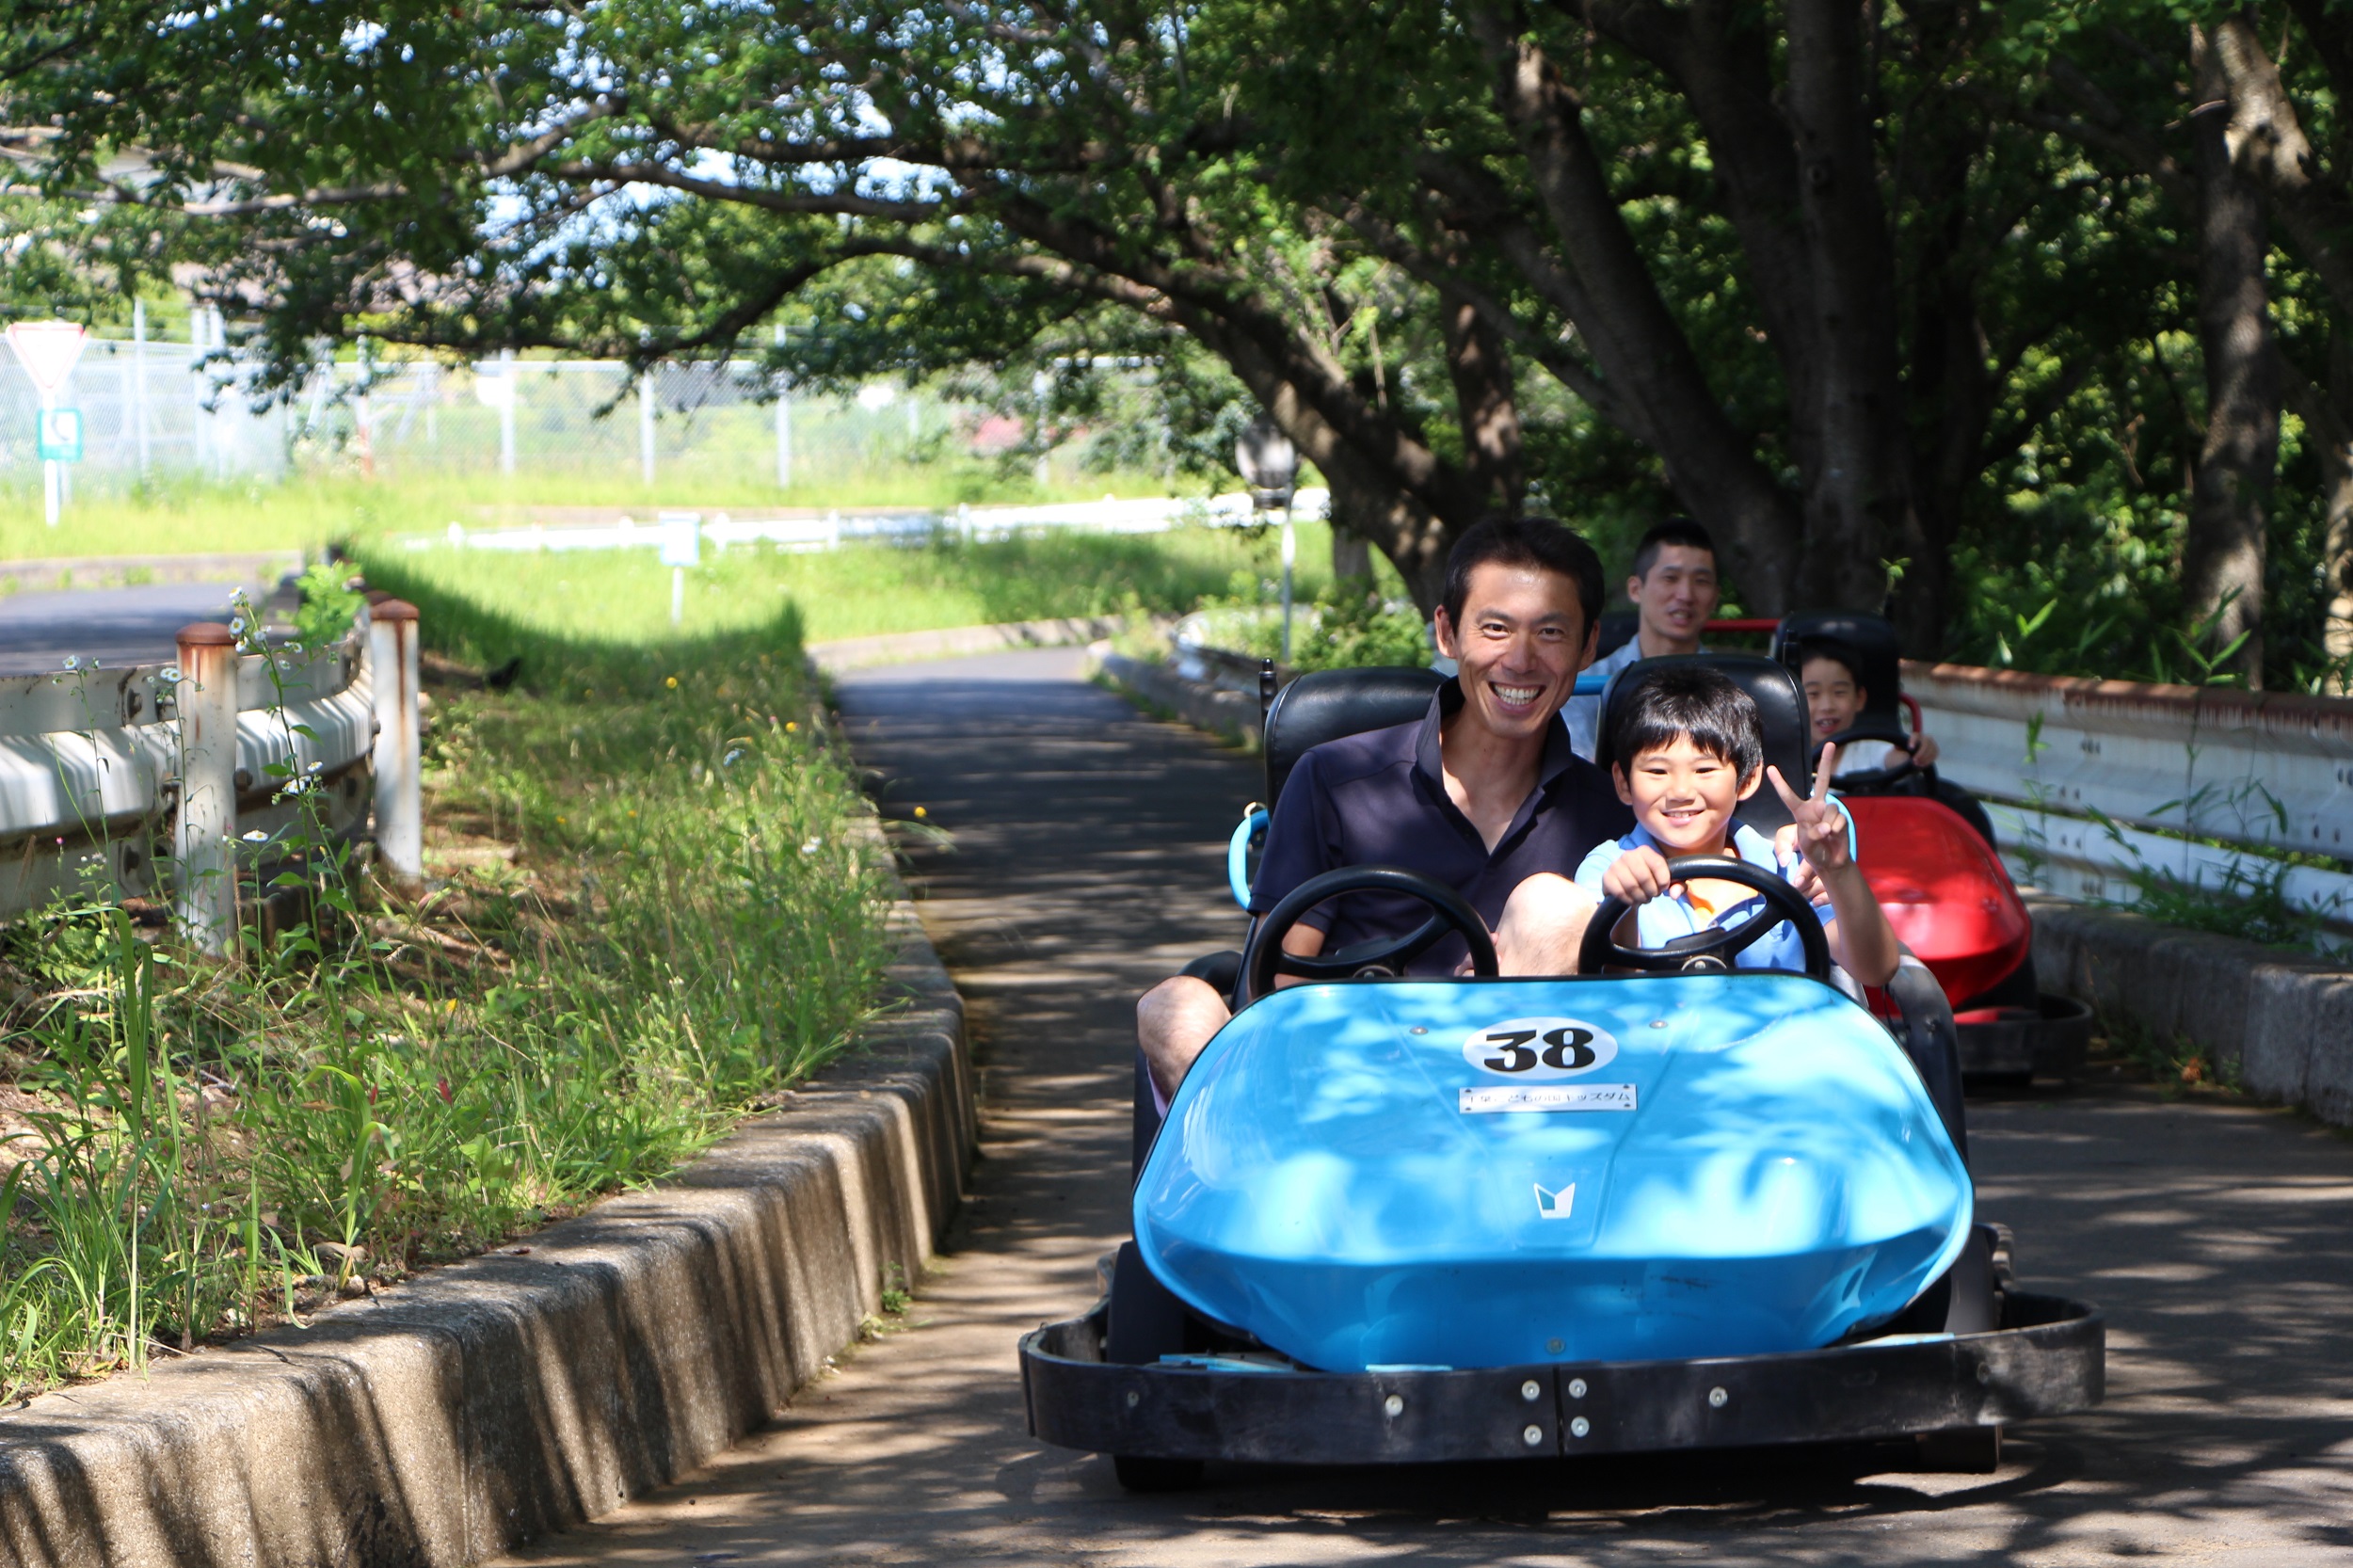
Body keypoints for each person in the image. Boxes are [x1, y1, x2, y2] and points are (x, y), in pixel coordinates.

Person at [1135, 518, 1636, 1105]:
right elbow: (1278, 988)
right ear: (1448, 633)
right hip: (1349, 1089)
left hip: (1520, 1097)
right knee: (1172, 1005)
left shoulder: (1611, 814)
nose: (1520, 659)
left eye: (1550, 633)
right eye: (1495, 628)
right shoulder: (1334, 780)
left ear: (1589, 644)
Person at [1575, 664, 1899, 989]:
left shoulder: (1788, 866)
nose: (1681, 793)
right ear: (1623, 782)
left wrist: (1838, 870)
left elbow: (1876, 970)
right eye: (1657, 772)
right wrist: (1625, 905)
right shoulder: (1608, 869)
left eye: (1704, 770)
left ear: (1746, 779)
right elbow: (1606, 990)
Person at [1562, 517, 1721, 760]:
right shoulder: (1584, 689)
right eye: (1670, 578)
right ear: (1636, 589)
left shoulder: (1732, 686)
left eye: (1701, 581)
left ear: (1715, 597)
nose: (1686, 594)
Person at [1796, 640, 1941, 774]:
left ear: (1859, 698)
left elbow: (1900, 760)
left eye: (1839, 692)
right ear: (1792, 700)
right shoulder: (1782, 759)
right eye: (1813, 694)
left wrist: (1920, 750)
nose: (1827, 706)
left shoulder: (1871, 750)